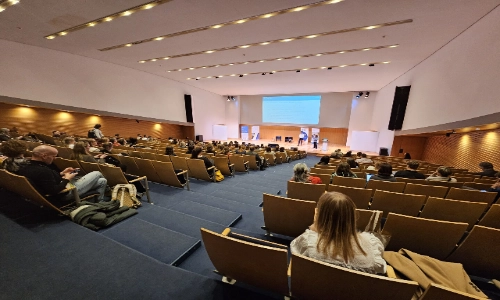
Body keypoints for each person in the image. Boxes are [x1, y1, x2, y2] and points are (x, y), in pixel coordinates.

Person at [291, 192, 386, 274]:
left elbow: (296, 258)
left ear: (320, 216)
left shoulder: (308, 241)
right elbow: (382, 269)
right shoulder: (372, 244)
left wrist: (316, 227)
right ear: (351, 217)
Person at [16, 145, 108, 203]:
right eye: (53, 156)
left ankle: (100, 202)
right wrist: (66, 178)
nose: (55, 159)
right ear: (44, 156)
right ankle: (103, 196)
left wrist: (62, 173)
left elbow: (46, 180)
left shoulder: (27, 165)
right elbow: (54, 190)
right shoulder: (42, 170)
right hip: (65, 194)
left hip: (62, 186)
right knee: (97, 173)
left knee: (102, 180)